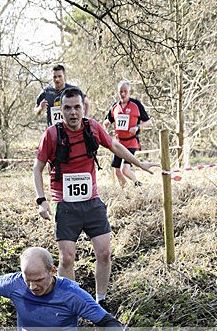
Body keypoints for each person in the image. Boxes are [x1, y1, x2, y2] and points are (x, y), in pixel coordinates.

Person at [33, 87, 158, 309]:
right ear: (60, 110)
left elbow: (115, 146)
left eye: (77, 107)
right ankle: (71, 303)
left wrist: (140, 164)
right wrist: (41, 200)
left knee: (104, 252)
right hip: (65, 204)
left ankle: (101, 300)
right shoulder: (51, 134)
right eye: (68, 108)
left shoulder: (92, 127)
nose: (73, 113)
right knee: (67, 259)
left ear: (83, 108)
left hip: (92, 202)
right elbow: (37, 168)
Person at [104, 80, 152, 188]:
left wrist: (137, 127)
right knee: (117, 171)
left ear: (129, 91)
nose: (123, 94)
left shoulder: (136, 104)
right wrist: (106, 123)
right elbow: (108, 120)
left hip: (131, 141)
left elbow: (149, 121)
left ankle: (137, 184)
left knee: (124, 169)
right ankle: (125, 192)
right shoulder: (115, 106)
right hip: (118, 143)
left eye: (125, 91)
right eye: (120, 91)